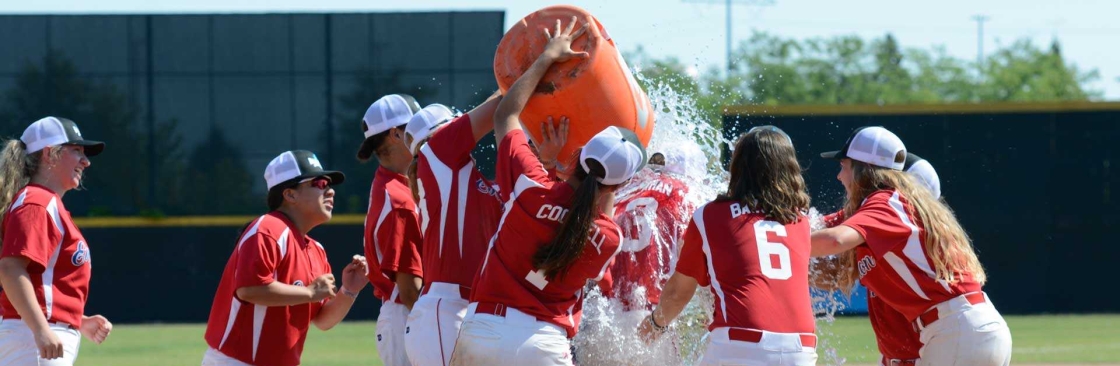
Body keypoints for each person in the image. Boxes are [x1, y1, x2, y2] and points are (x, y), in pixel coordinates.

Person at [449, 17, 645, 366]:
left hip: (484, 330)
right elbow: (595, 212)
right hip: (543, 343)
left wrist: (547, 58)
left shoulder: (530, 186)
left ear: (581, 154)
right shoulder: (607, 235)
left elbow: (505, 115)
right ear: (620, 185)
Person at [811, 126, 1012, 366]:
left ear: (863, 170)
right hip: (965, 328)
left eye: (843, 166)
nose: (839, 175)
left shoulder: (886, 203)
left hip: (955, 330)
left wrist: (785, 244)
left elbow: (834, 240)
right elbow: (816, 228)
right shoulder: (886, 205)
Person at [639, 126, 817, 365]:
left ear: (738, 166)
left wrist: (652, 327)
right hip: (802, 348)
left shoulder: (710, 215)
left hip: (740, 343)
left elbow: (678, 293)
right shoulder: (801, 221)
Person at [202, 150, 368, 366]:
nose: (330, 191)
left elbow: (323, 320)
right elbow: (249, 289)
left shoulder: (316, 250)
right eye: (319, 184)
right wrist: (309, 292)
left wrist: (349, 290)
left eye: (329, 185)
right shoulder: (268, 228)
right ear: (289, 195)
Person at [400, 99, 506, 366]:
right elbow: (501, 105)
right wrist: (532, 67)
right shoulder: (437, 152)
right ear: (442, 132)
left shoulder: (467, 177)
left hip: (475, 308)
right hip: (445, 308)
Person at [0, 117, 113, 365]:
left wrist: (77, 319)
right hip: (31, 338)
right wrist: (41, 329)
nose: (86, 161)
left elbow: (42, 281)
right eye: (76, 151)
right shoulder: (37, 202)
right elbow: (11, 269)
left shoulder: (44, 203)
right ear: (50, 154)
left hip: (33, 335)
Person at [814, 152, 941, 366]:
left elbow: (833, 245)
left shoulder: (891, 214)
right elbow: (834, 270)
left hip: (925, 353)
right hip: (898, 357)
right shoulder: (880, 216)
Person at [356, 94, 425, 366]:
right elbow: (410, 289)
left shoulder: (395, 182)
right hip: (408, 315)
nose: (425, 132)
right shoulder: (398, 198)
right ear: (397, 135)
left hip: (404, 315)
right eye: (416, 125)